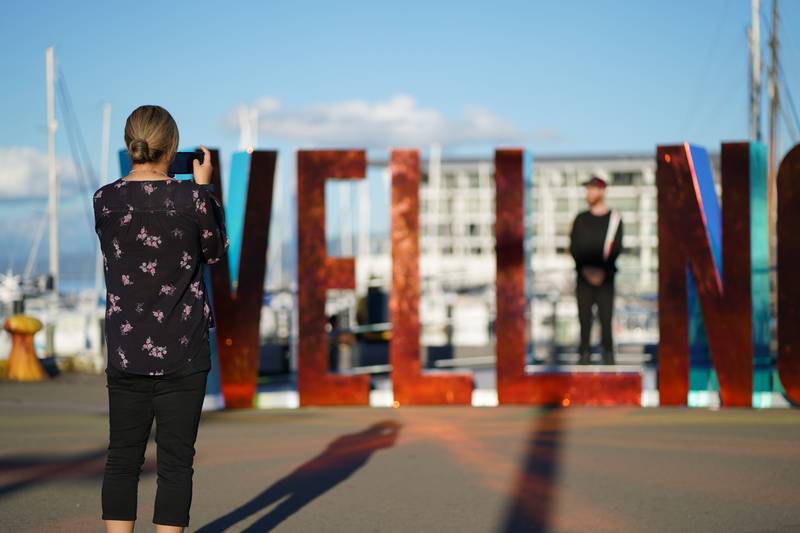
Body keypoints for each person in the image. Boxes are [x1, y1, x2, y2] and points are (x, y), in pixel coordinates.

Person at [93, 105, 229, 533]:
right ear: (171, 148)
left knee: (122, 459)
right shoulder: (191, 201)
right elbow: (215, 252)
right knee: (175, 463)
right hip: (183, 349)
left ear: (130, 144)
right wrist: (204, 190)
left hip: (126, 348)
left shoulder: (105, 199)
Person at [568, 175, 623, 365]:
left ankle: (608, 356)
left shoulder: (614, 219)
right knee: (584, 320)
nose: (589, 193)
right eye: (587, 189)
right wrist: (586, 271)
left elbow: (616, 249)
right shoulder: (580, 219)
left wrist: (602, 272)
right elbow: (575, 248)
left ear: (602, 191)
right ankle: (584, 356)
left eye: (592, 189)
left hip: (606, 281)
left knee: (606, 319)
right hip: (583, 280)